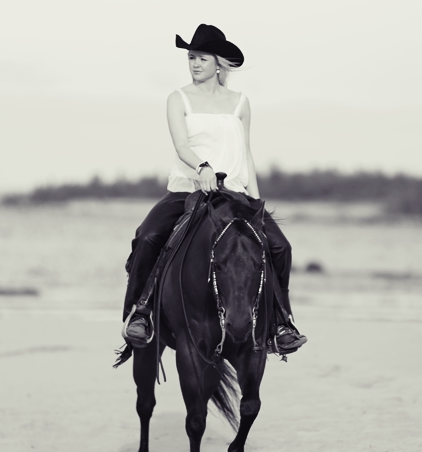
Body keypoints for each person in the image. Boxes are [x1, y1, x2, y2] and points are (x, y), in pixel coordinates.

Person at [122, 23, 307, 355]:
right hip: (187, 190)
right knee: (147, 236)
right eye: (191, 58)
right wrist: (202, 168)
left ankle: (281, 321)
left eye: (202, 58)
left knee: (281, 247)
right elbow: (182, 146)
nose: (194, 64)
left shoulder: (240, 103)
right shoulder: (178, 98)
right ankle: (140, 312)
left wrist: (255, 199)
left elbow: (246, 153)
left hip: (235, 194)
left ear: (219, 64)